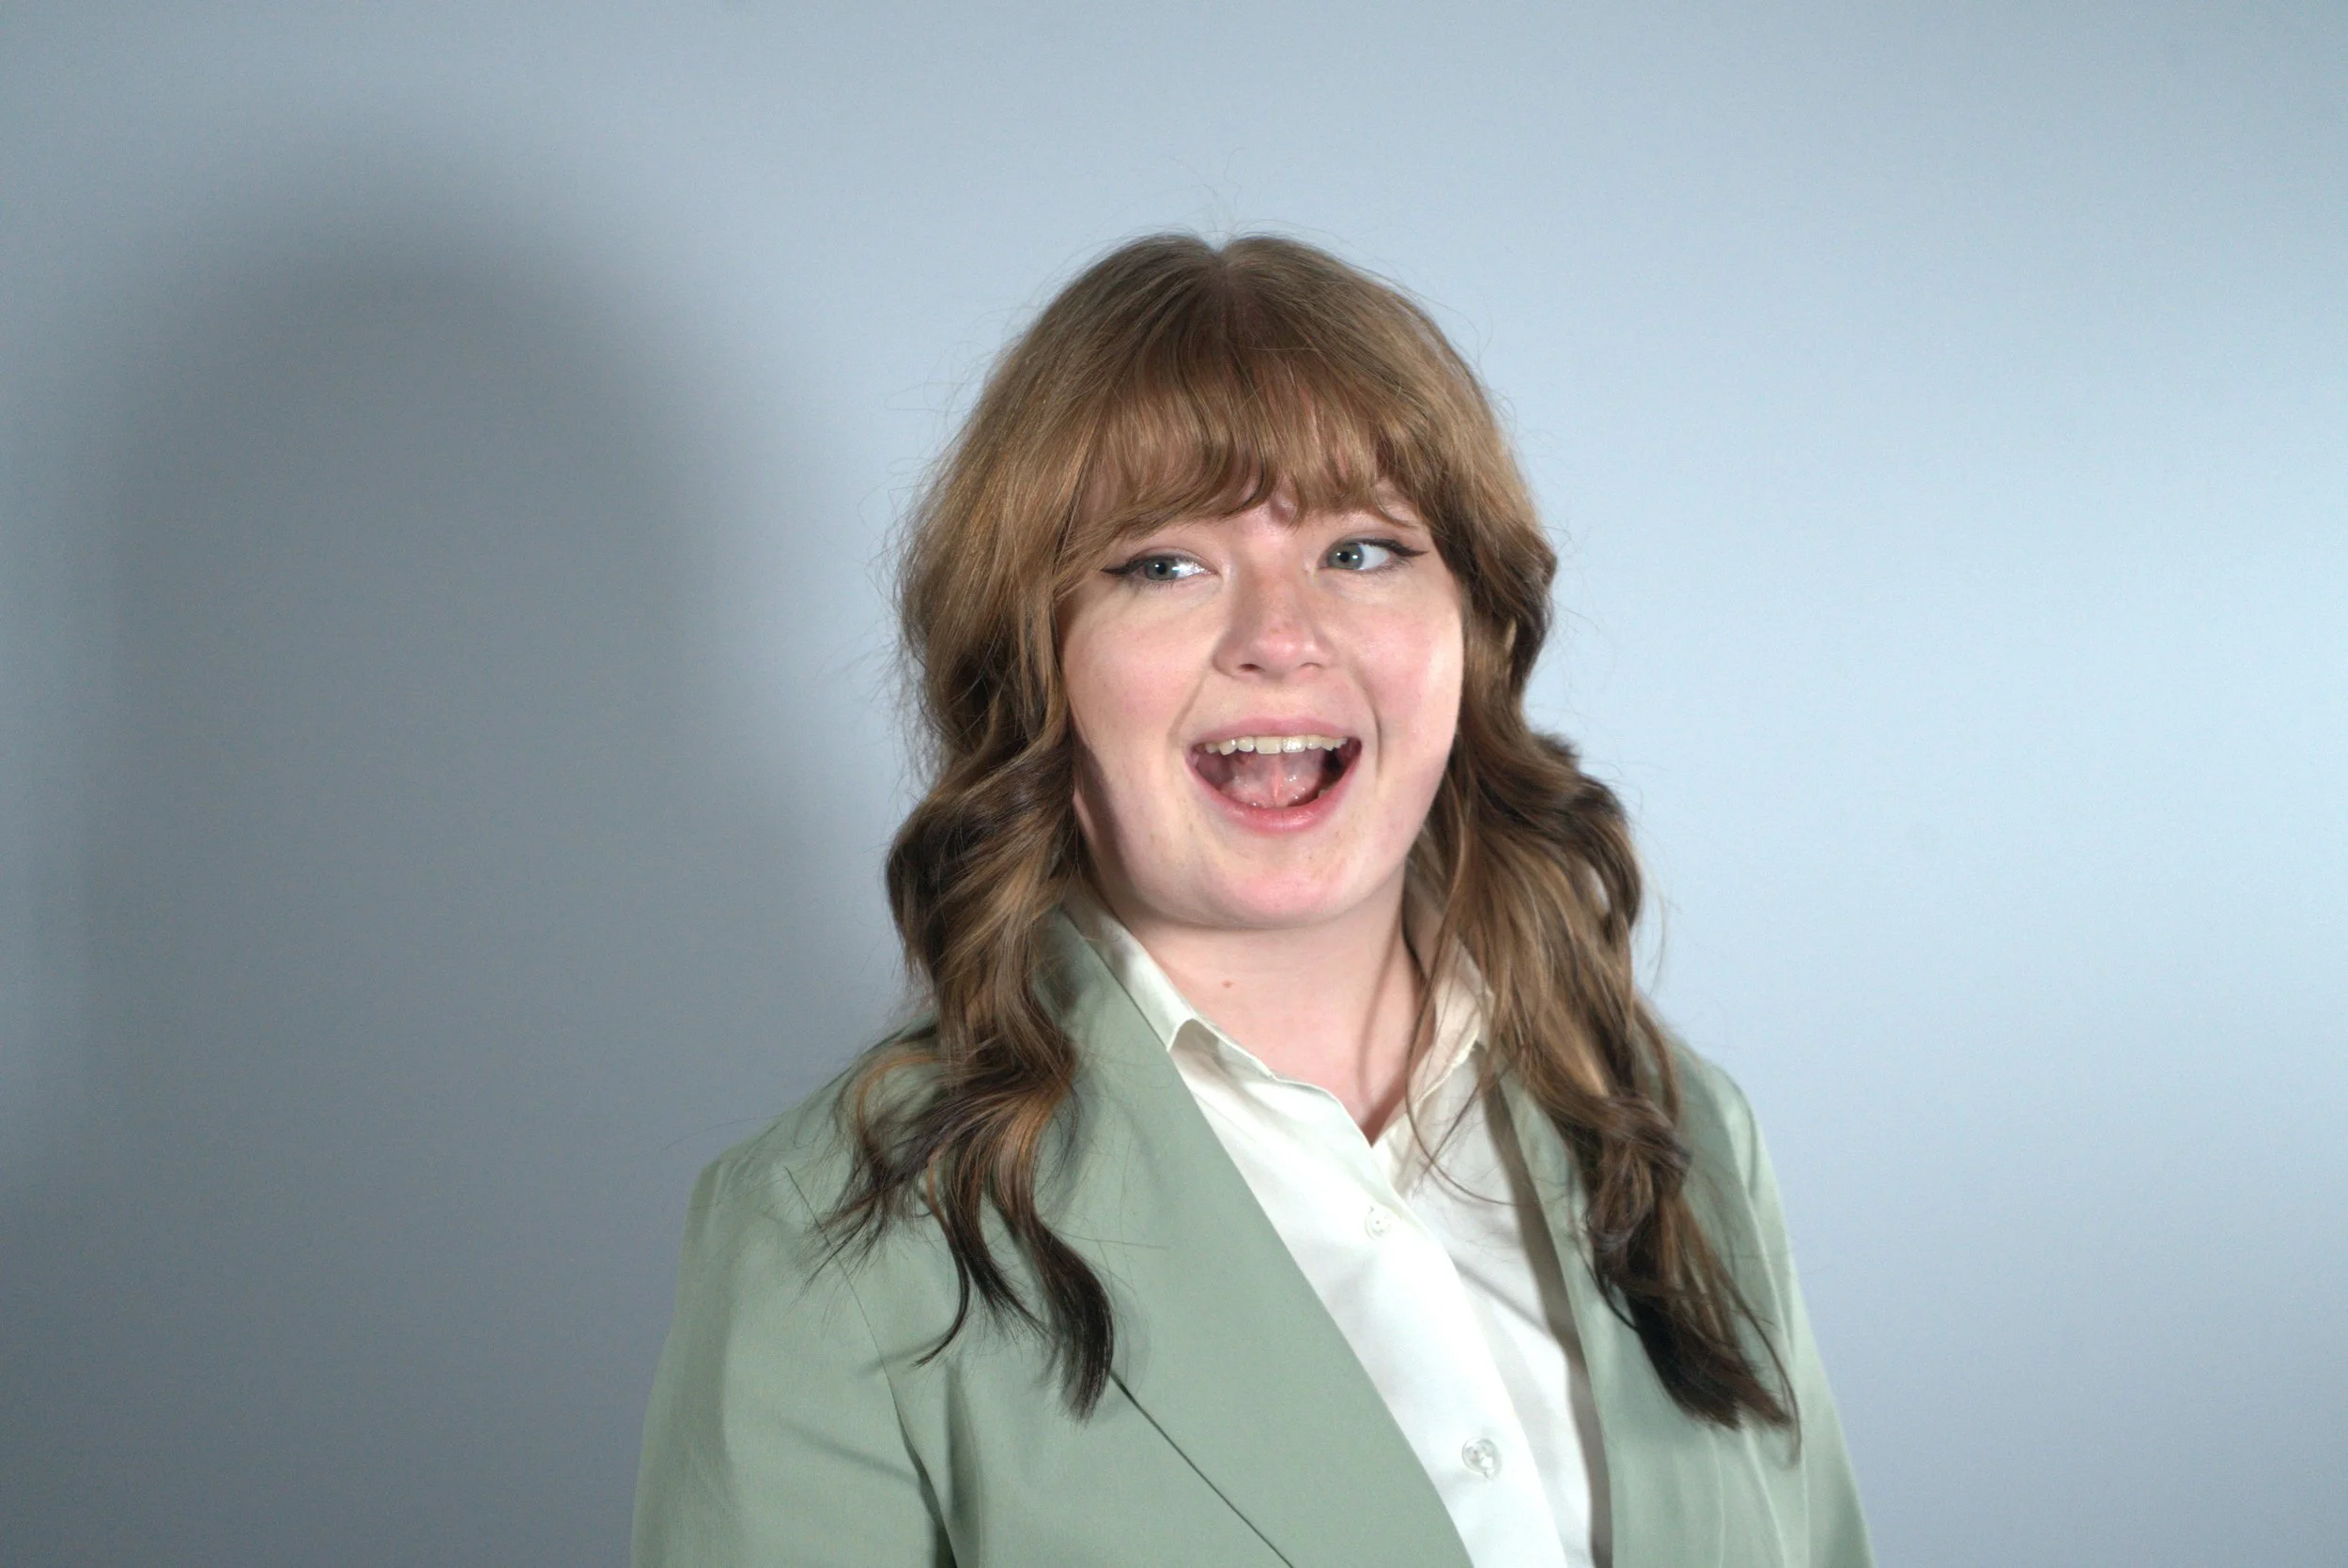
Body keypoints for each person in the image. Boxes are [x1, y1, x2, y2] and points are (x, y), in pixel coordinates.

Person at [631, 233, 1872, 1568]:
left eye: (1363, 549)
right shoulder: (831, 1244)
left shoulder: (1681, 1136)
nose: (1281, 636)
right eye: (1165, 563)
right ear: (1032, 658)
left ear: (1472, 629)